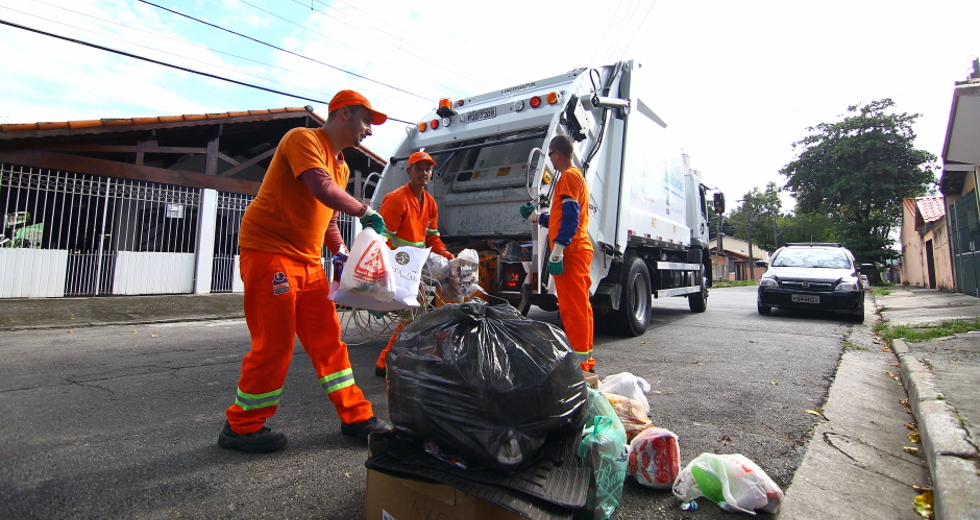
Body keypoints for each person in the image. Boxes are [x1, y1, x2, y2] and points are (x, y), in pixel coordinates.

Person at [217, 90, 392, 453]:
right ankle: (241, 427)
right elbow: (320, 187)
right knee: (275, 344)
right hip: (270, 252)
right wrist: (364, 211)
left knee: (329, 340)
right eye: (365, 120)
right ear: (343, 114)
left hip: (309, 261)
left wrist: (341, 252)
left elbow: (328, 217)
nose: (369, 130)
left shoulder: (342, 167)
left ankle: (356, 416)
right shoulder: (303, 139)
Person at [373, 150, 454, 377]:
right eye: (418, 168)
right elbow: (383, 239)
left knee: (415, 316)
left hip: (414, 269)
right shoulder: (397, 199)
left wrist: (446, 255)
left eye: (427, 169)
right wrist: (396, 269)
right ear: (409, 171)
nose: (423, 172)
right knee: (413, 316)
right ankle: (386, 362)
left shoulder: (430, 203)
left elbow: (432, 238)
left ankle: (389, 362)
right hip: (399, 267)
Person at [519, 134, 596, 372]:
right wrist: (537, 217)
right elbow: (559, 218)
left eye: (551, 155)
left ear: (558, 153)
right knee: (578, 306)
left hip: (572, 251)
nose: (550, 160)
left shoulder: (569, 177)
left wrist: (559, 250)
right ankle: (584, 360)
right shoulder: (573, 177)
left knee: (573, 308)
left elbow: (571, 217)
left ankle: (580, 365)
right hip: (575, 249)